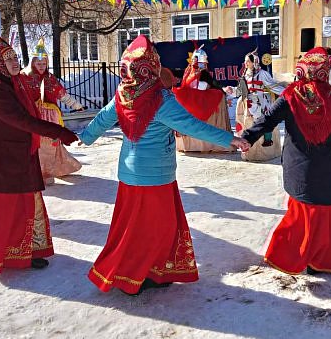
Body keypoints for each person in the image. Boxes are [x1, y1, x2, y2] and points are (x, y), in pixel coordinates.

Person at [79, 35, 249, 296]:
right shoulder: (159, 99)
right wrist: (231, 139)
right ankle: (133, 277)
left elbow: (102, 118)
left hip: (132, 173)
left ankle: (153, 271)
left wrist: (86, 137)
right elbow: (193, 126)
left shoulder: (125, 93)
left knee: (138, 228)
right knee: (153, 230)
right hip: (154, 176)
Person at [0, 37, 78, 274]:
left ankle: (26, 253)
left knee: (24, 206)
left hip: (13, 155)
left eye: (15, 57)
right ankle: (7, 256)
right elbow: (21, 120)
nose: (15, 62)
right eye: (8, 59)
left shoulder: (10, 81)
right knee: (5, 211)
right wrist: (58, 131)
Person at [241, 48, 331, 276]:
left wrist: (244, 139)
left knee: (301, 214)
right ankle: (324, 259)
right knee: (327, 214)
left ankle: (291, 255)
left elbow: (266, 120)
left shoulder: (291, 95)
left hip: (299, 168)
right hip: (328, 169)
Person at [18, 39, 83, 184]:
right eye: (38, 63)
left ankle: (48, 172)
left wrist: (76, 105)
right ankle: (37, 172)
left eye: (44, 64)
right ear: (32, 63)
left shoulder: (50, 78)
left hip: (51, 117)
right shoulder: (24, 77)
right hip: (33, 115)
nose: (41, 66)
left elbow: (62, 95)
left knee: (51, 146)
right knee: (36, 145)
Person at [173, 45, 234, 153]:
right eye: (203, 63)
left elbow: (211, 84)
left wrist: (222, 89)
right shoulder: (190, 72)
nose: (204, 65)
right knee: (217, 95)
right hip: (194, 103)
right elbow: (196, 85)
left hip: (195, 102)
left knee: (218, 94)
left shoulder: (197, 72)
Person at [228, 49, 284, 162]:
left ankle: (267, 147)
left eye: (248, 61)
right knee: (248, 126)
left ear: (255, 62)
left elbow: (273, 86)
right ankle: (250, 152)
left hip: (261, 103)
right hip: (248, 106)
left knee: (264, 124)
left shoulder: (262, 74)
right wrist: (232, 90)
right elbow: (240, 90)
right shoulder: (245, 74)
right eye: (245, 61)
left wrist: (287, 93)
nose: (246, 64)